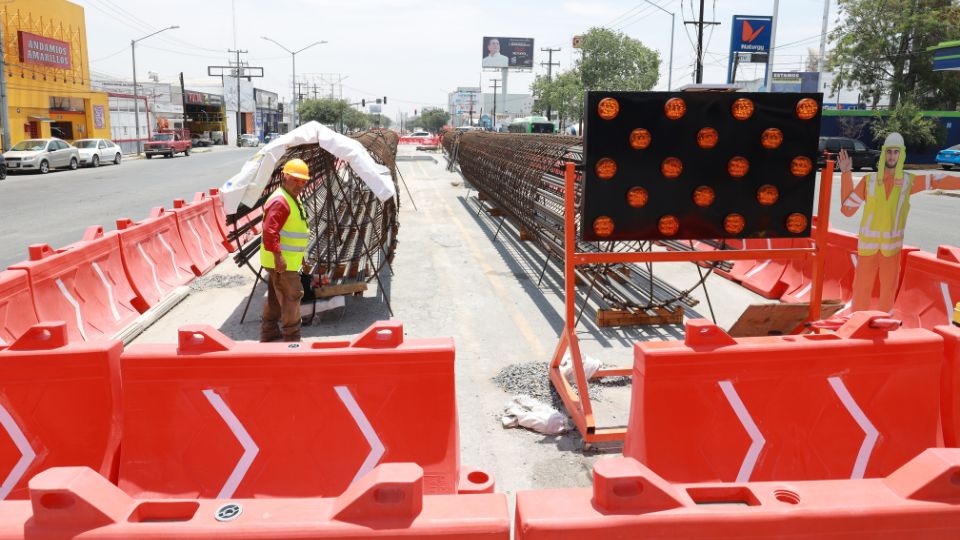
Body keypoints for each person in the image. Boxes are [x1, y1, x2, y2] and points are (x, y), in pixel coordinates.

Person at [839, 132, 960, 312]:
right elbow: (847, 210)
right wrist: (846, 173)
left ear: (901, 154)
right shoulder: (869, 181)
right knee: (862, 289)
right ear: (884, 153)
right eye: (889, 151)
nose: (892, 156)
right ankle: (857, 323)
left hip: (891, 249)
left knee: (888, 290)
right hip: (867, 248)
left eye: (896, 152)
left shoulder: (907, 182)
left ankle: (885, 327)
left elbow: (936, 180)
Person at [260, 158, 311, 342]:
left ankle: (269, 332)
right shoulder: (281, 201)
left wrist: (302, 258)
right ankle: (292, 337)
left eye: (303, 181)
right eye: (296, 180)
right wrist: (278, 257)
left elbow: (294, 232)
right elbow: (269, 231)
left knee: (275, 298)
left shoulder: (290, 198)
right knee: (292, 297)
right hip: (283, 262)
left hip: (285, 260)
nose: (300, 185)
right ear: (286, 176)